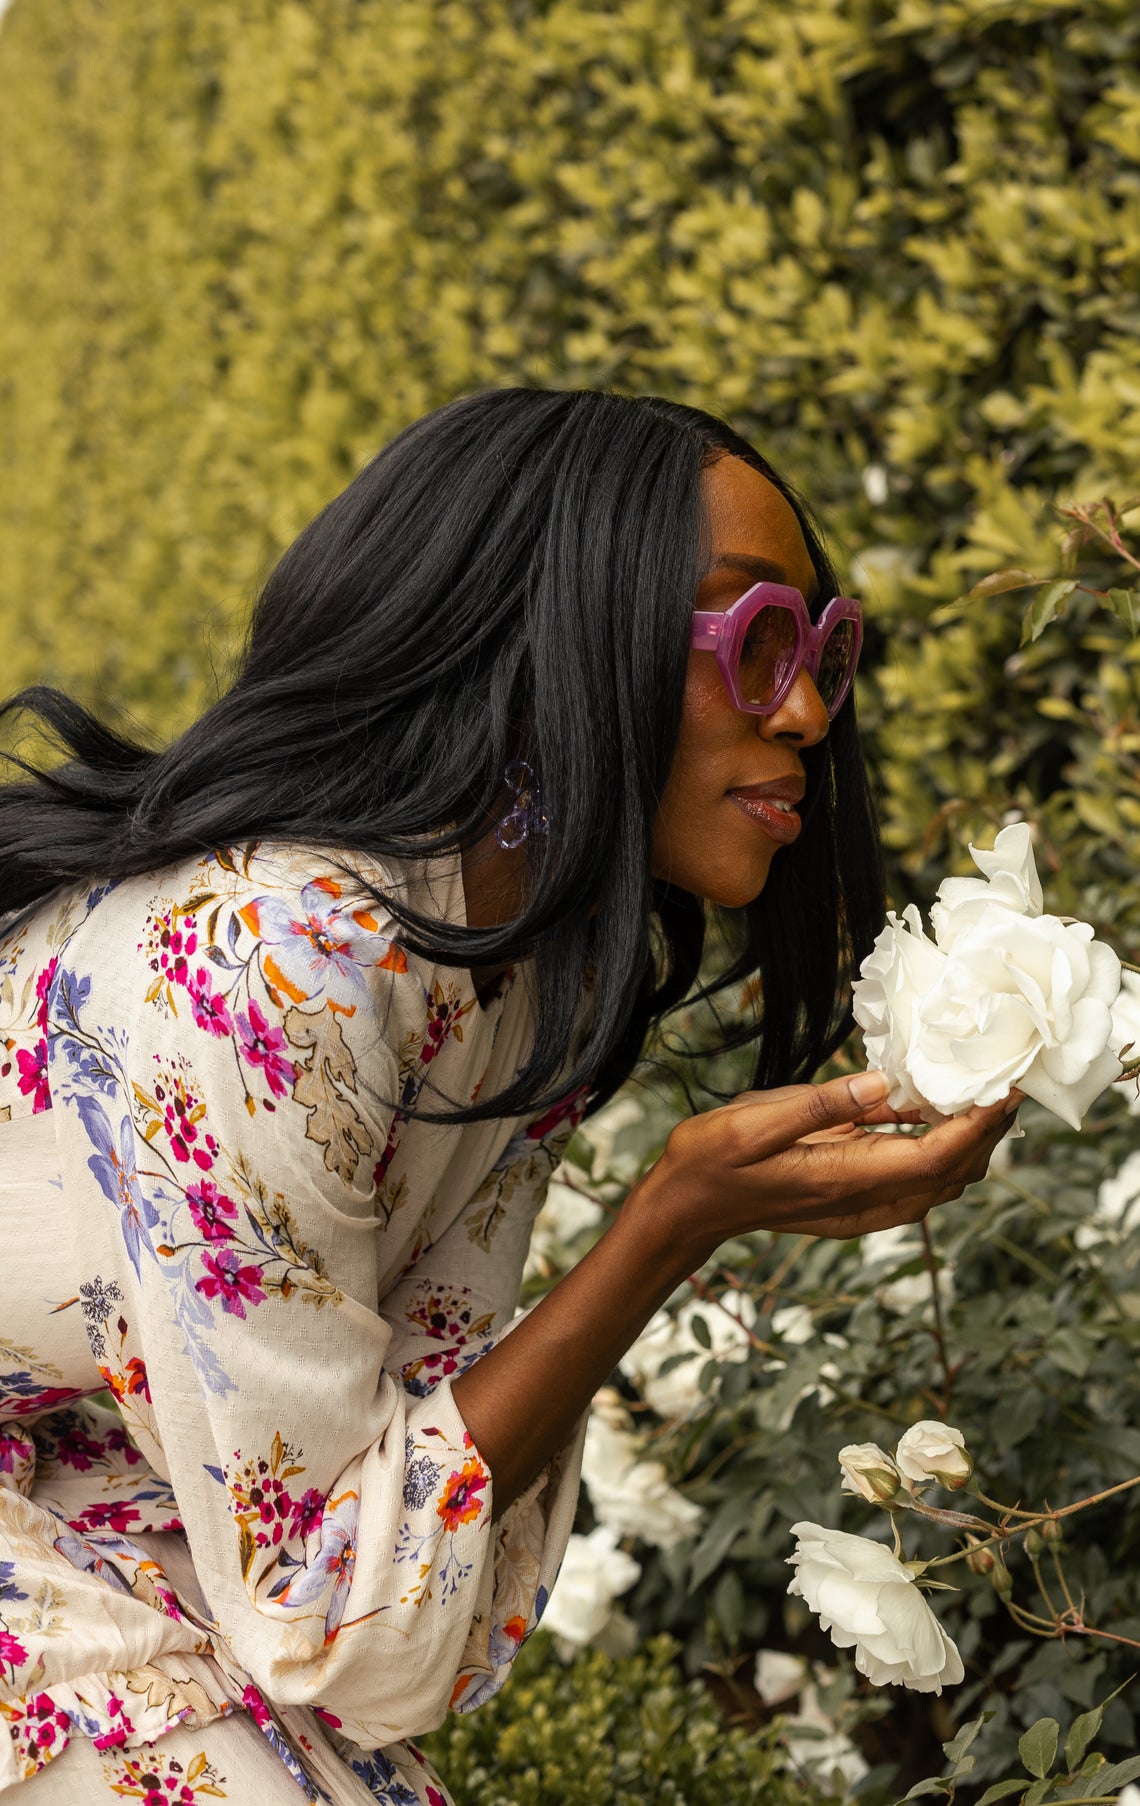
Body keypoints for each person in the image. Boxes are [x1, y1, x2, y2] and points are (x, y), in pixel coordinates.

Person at [0, 388, 1016, 1802]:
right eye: (751, 637)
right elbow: (334, 1606)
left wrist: (683, 1218)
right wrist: (669, 1220)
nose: (801, 708)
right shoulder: (261, 968)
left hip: (87, 1482)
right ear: (552, 646)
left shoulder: (512, 967)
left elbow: (396, 1477)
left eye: (825, 648)